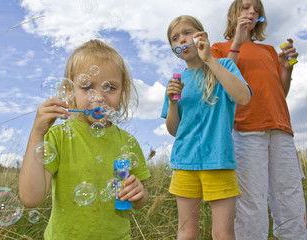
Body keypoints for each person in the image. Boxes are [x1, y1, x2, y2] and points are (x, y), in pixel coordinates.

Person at [19, 39, 151, 240]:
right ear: (70, 92)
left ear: (123, 93)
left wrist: (139, 194)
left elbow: (141, 201)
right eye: (87, 86)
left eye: (110, 87)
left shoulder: (128, 142)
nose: (98, 97)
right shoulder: (58, 137)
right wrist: (37, 134)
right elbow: (30, 198)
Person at [211, 0, 307, 239]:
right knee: (251, 201)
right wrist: (237, 42)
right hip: (245, 129)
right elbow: (221, 85)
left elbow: (279, 93)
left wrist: (286, 69)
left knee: (291, 197)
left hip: (281, 128)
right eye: (246, 7)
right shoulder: (219, 48)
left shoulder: (269, 51)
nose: (252, 11)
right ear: (233, 14)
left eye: (257, 9)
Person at [161, 15, 251, 240]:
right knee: (186, 232)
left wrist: (210, 59)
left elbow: (244, 97)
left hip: (219, 160)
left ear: (202, 36)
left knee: (222, 233)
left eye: (188, 32)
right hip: (184, 162)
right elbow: (174, 130)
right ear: (174, 49)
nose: (182, 40)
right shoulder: (177, 80)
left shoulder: (224, 66)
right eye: (175, 38)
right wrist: (172, 102)